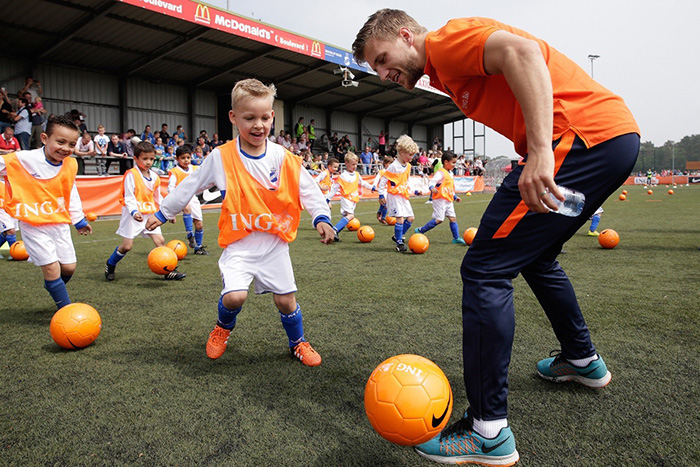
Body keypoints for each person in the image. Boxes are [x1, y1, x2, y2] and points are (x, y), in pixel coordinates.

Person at [353, 9, 640, 465]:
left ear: (407, 36)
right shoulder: (440, 69)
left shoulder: (444, 43)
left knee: (485, 268)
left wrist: (540, 152)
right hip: (608, 137)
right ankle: (582, 360)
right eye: (378, 70)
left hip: (579, 138)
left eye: (385, 59)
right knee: (538, 257)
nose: (386, 75)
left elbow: (522, 52)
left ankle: (488, 431)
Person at [145, 78, 335, 366]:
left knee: (286, 301)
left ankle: (298, 342)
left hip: (274, 244)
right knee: (234, 297)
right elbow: (189, 186)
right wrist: (162, 212)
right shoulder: (221, 157)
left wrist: (322, 219)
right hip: (239, 244)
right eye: (249, 118)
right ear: (234, 118)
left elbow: (309, 192)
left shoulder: (285, 158)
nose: (258, 125)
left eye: (264, 117)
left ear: (272, 116)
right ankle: (222, 328)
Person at [0, 115, 92, 308]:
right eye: (60, 142)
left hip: (59, 223)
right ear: (44, 138)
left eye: (71, 144)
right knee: (51, 268)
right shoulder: (25, 159)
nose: (66, 148)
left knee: (69, 267)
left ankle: (53, 286)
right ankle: (65, 310)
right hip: (33, 224)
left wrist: (79, 220)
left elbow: (71, 193)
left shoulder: (70, 165)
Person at [104, 141, 186, 282]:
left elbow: (158, 197)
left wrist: (168, 213)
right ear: (136, 158)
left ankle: (168, 271)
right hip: (133, 215)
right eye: (145, 159)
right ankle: (110, 264)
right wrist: (134, 212)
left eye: (151, 159)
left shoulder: (155, 176)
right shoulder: (131, 174)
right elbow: (128, 196)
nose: (149, 162)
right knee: (127, 246)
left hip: (149, 214)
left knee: (160, 241)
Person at [376, 134, 420, 252]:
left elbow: (406, 182)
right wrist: (381, 195)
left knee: (410, 218)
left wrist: (414, 190)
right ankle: (399, 242)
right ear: (401, 152)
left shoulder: (408, 166)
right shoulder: (393, 166)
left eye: (413, 155)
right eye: (410, 155)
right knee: (400, 219)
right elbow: (383, 180)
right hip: (394, 196)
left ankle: (397, 236)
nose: (412, 157)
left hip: (403, 196)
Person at [415, 150, 467, 245]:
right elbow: (432, 182)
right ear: (446, 162)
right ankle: (420, 230)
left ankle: (456, 238)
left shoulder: (450, 173)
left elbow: (449, 188)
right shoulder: (441, 173)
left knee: (453, 218)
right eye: (453, 162)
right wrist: (432, 188)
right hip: (440, 200)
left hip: (448, 200)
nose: (454, 165)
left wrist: (455, 197)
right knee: (439, 220)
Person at [167, 145, 207, 255]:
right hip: (180, 197)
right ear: (177, 159)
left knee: (199, 225)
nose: (186, 160)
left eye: (188, 158)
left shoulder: (195, 169)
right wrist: (174, 198)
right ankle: (189, 234)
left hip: (192, 197)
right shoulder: (175, 171)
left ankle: (198, 247)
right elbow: (170, 187)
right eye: (183, 158)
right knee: (186, 208)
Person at [327, 152, 374, 242]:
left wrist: (372, 187)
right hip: (346, 199)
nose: (355, 166)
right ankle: (334, 230)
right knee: (350, 216)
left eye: (356, 164)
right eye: (353, 164)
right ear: (346, 164)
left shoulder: (356, 174)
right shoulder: (343, 176)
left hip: (353, 200)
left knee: (347, 218)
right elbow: (334, 188)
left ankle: (335, 233)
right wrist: (328, 199)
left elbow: (362, 183)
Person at [372, 155, 393, 224]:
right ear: (385, 164)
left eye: (391, 164)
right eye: (389, 163)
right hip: (382, 190)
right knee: (385, 204)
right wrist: (374, 186)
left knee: (385, 204)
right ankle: (383, 218)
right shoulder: (381, 172)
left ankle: (379, 212)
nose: (390, 165)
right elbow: (377, 179)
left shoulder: (392, 172)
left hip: (389, 190)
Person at [0, 178, 18, 254]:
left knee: (6, 232)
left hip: (12, 208)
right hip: (1, 208)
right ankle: (16, 253)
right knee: (11, 230)